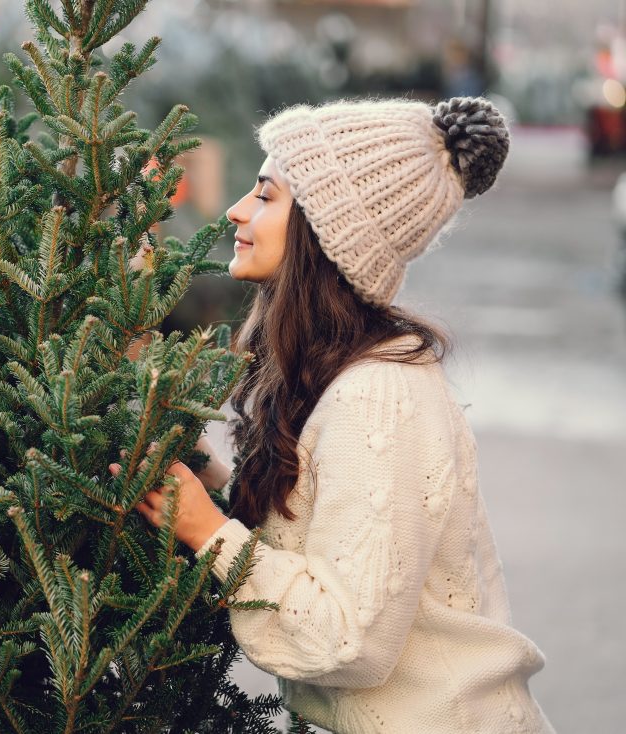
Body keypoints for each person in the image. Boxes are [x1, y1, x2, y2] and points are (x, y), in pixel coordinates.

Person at [109, 96, 555, 733]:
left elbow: (348, 636)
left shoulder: (379, 396)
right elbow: (315, 535)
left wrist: (210, 534)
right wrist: (203, 481)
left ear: (326, 230)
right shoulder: (333, 373)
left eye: (266, 196)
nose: (237, 209)